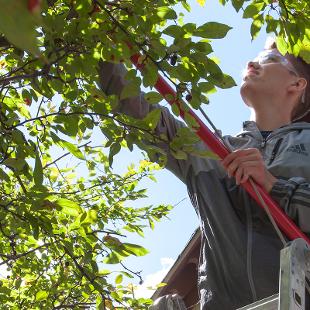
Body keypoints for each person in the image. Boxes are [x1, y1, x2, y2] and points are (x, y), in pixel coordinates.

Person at [98, 39, 310, 309]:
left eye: (269, 60)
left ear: (296, 84)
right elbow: (136, 110)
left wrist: (272, 185)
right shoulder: (210, 150)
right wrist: (101, 40)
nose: (251, 63)